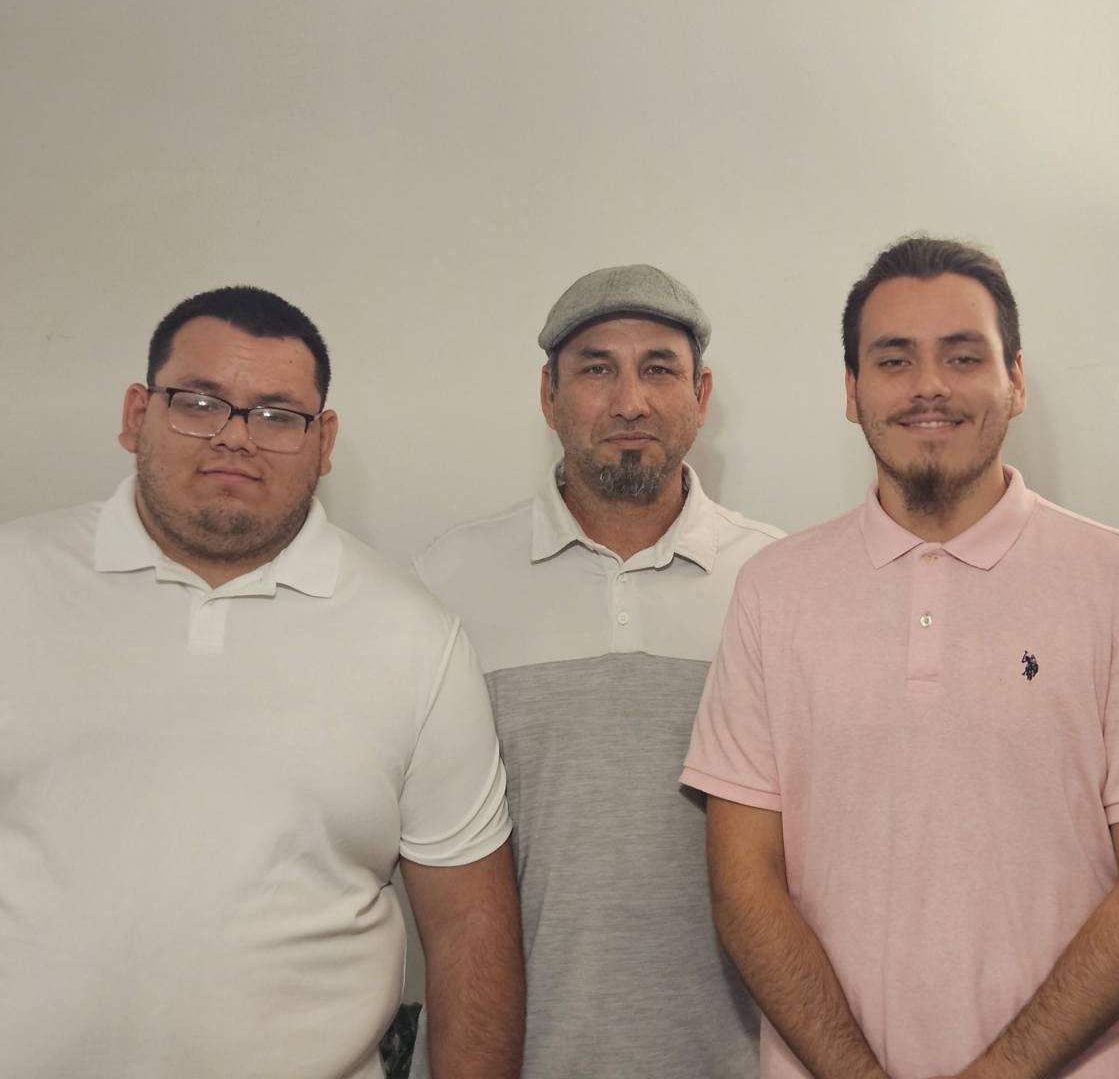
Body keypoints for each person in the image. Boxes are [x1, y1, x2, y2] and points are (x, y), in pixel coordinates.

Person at [681, 236, 1119, 1078]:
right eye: (894, 359)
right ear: (852, 390)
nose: (929, 384)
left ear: (1016, 381)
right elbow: (742, 882)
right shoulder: (773, 590)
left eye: (963, 356)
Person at [0, 286, 522, 1078]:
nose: (236, 437)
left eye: (278, 415)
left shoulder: (415, 637)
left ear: (324, 441)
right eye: (199, 402)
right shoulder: (14, 582)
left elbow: (468, 933)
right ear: (136, 414)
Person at [415, 264, 780, 1077]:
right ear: (548, 397)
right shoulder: (448, 583)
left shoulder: (778, 582)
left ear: (701, 395)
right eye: (596, 370)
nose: (630, 401)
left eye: (660, 369)